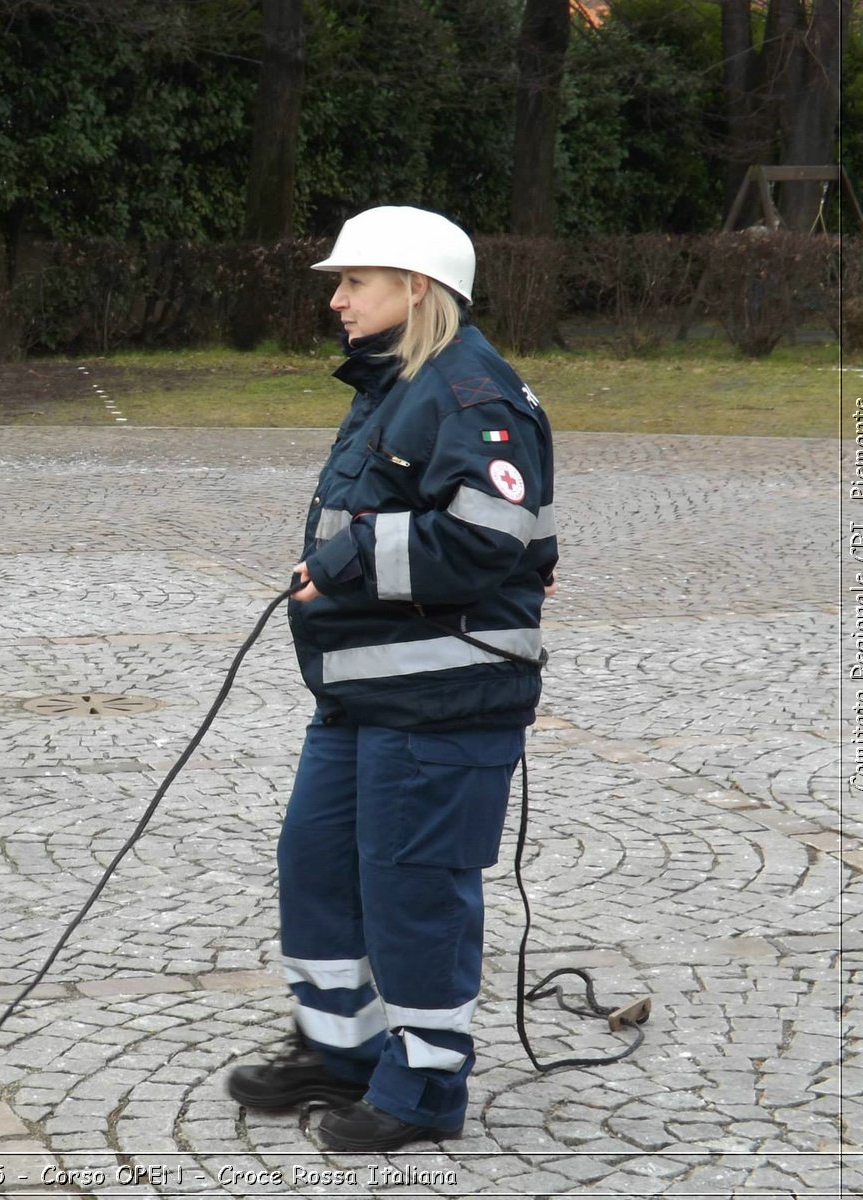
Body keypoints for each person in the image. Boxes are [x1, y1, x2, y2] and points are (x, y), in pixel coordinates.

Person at [225, 206, 556, 1151]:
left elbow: (486, 538)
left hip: (444, 699)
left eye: (354, 282)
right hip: (362, 692)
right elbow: (514, 532)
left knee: (413, 890)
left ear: (416, 289)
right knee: (316, 866)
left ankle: (425, 1086)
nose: (336, 299)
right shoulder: (399, 381)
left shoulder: (469, 392)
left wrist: (349, 558)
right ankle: (341, 1049)